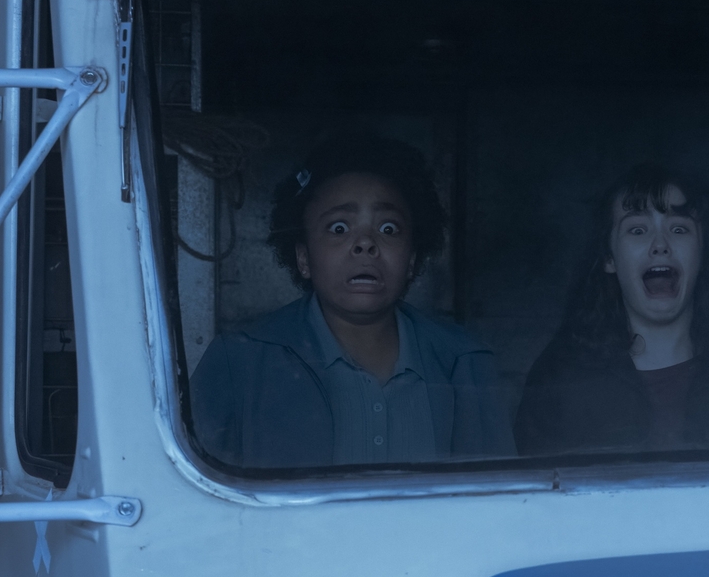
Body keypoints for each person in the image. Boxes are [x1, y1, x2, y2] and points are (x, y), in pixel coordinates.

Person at [190, 134, 514, 468]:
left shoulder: (464, 361)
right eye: (339, 228)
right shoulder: (239, 361)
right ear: (303, 258)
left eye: (388, 229)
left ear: (412, 259)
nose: (365, 244)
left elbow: (497, 491)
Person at [514, 164, 709, 454]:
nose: (660, 245)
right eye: (638, 230)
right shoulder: (560, 379)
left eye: (679, 229)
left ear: (703, 253)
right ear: (609, 258)